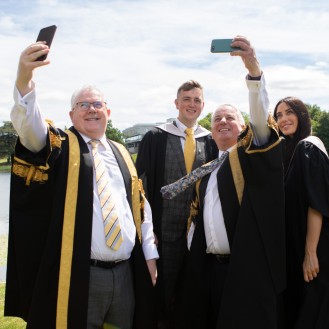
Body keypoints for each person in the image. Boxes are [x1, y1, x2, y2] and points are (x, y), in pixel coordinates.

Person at [4, 41, 159, 329]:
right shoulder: (60, 146)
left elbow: (139, 207)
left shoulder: (121, 152)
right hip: (80, 276)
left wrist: (150, 255)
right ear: (72, 115)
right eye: (83, 104)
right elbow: (30, 128)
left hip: (125, 273)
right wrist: (24, 80)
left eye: (97, 104)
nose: (91, 109)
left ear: (108, 113)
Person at [177, 37, 286, 329]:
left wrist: (253, 72)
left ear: (242, 127)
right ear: (210, 131)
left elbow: (262, 123)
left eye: (230, 117)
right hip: (210, 272)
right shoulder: (207, 171)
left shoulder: (250, 155)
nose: (223, 121)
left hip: (246, 273)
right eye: (216, 119)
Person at [135, 76, 214, 327]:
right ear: (176, 103)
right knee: (160, 292)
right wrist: (146, 229)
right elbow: (140, 187)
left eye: (197, 100)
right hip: (162, 228)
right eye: (187, 99)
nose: (192, 104)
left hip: (198, 231)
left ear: (203, 106)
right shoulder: (155, 137)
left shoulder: (210, 140)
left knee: (191, 292)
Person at [273, 97, 329, 329]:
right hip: (296, 253)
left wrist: (310, 253)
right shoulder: (291, 152)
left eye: (289, 112)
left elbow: (316, 204)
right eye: (278, 115)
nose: (283, 119)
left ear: (302, 115)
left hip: (316, 253)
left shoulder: (309, 146)